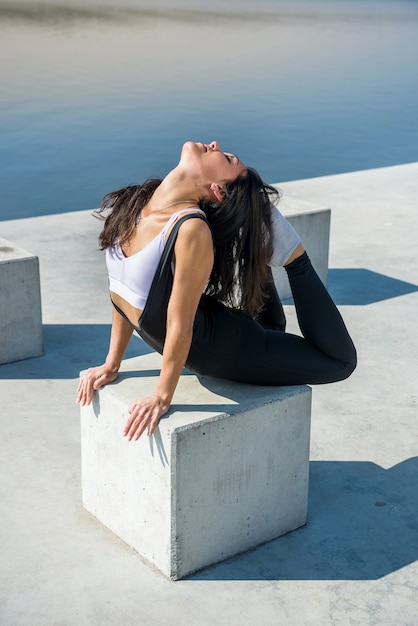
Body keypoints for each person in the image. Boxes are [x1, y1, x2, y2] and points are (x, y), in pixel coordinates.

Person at [77, 140, 356, 440]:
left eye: (227, 158)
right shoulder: (135, 204)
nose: (214, 144)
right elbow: (120, 292)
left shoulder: (190, 229)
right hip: (222, 336)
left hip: (229, 346)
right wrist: (111, 362)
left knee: (339, 363)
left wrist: (162, 395)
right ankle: (255, 230)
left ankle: (293, 256)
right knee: (272, 328)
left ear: (217, 189)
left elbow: (179, 325)